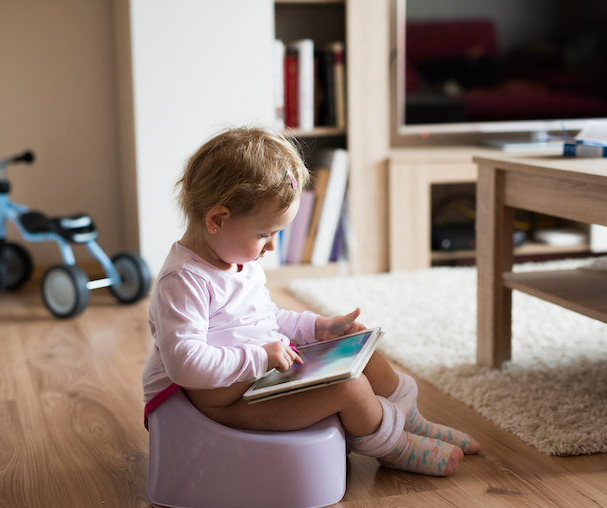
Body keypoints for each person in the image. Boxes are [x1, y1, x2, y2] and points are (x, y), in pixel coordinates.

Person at [142, 127, 479, 476]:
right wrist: (261, 357)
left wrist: (317, 328)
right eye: (264, 234)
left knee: (363, 354)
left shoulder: (238, 261)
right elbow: (185, 364)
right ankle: (393, 447)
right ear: (217, 220)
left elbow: (265, 318)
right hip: (228, 404)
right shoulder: (183, 280)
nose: (271, 246)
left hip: (263, 377)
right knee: (350, 389)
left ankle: (412, 422)